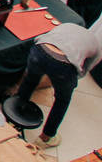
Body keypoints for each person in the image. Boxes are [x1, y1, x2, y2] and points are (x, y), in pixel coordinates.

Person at [13, 17, 102, 150]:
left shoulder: (69, 24)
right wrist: (69, 81)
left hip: (40, 49)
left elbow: (46, 36)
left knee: (30, 80)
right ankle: (46, 137)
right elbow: (85, 69)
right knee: (62, 100)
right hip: (62, 66)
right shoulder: (96, 47)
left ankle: (15, 115)